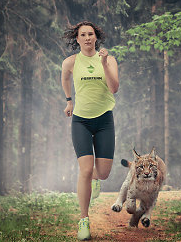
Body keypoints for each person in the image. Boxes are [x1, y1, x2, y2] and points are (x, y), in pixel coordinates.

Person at [61, 21, 119, 241]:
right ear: (77, 39)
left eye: (90, 34)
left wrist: (103, 63)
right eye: (82, 34)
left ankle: (94, 179)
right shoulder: (70, 62)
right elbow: (65, 79)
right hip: (81, 122)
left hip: (104, 120)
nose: (87, 38)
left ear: (96, 37)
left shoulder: (109, 59)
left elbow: (114, 88)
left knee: (102, 173)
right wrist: (69, 101)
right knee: (85, 170)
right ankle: (83, 220)